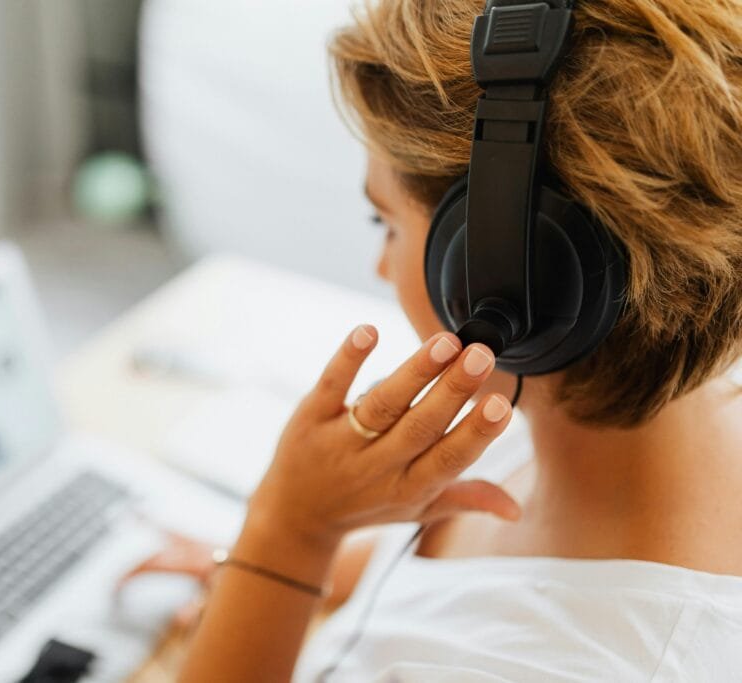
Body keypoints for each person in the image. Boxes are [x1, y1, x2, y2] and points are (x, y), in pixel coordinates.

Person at [122, 0, 742, 679]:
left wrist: (287, 533)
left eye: (384, 222)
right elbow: (462, 563)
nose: (381, 266)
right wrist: (263, 573)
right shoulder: (597, 411)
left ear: (515, 269)